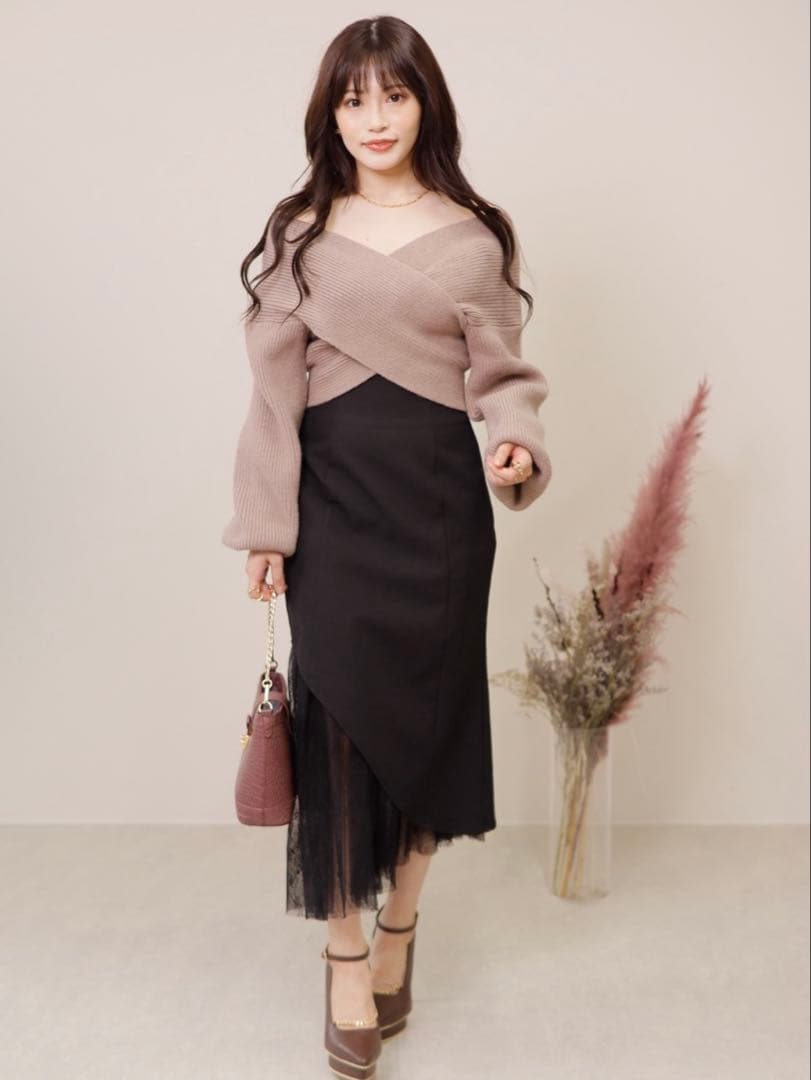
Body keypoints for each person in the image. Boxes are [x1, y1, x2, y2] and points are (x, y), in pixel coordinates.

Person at [221, 16, 553, 1080]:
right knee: (335, 731)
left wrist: (513, 443)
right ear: (330, 112)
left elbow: (503, 376)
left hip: (439, 507)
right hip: (331, 501)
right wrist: (265, 527)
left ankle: (401, 928)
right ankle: (345, 956)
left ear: (425, 105)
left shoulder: (475, 236)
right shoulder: (301, 235)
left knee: (430, 723)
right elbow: (272, 398)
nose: (374, 118)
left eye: (394, 96)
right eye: (354, 97)